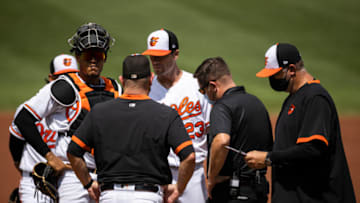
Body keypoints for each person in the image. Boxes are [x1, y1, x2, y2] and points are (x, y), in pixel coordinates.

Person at [13, 22, 121, 202]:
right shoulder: (64, 87)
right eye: (88, 54)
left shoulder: (115, 87)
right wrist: (49, 156)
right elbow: (23, 119)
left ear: (105, 57)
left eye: (99, 54)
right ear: (78, 56)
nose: (93, 60)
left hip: (108, 176)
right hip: (74, 178)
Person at [67, 54, 196, 203]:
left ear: (122, 80)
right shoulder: (166, 114)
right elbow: (189, 156)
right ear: (151, 79)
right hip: (148, 196)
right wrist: (179, 188)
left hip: (110, 196)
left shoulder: (99, 112)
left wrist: (88, 184)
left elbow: (73, 152)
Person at [245, 43, 356, 203]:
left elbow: (312, 149)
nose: (271, 79)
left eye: (275, 74)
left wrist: (269, 158)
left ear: (291, 69)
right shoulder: (293, 99)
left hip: (316, 198)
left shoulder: (315, 98)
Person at [142, 28, 212, 203]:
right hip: (157, 172)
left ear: (175, 54)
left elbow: (213, 129)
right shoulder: (146, 90)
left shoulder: (196, 85)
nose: (155, 62)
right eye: (152, 56)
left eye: (161, 56)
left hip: (193, 173)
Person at [193, 57, 273, 203]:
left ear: (213, 86)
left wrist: (211, 178)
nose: (205, 95)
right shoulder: (257, 103)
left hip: (231, 193)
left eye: (203, 90)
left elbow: (222, 140)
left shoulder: (221, 107)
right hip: (258, 191)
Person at [9, 54, 79, 202]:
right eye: (62, 77)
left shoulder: (79, 110)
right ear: (51, 78)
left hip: (71, 181)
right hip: (37, 183)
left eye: (71, 76)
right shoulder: (29, 110)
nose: (66, 81)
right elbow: (15, 144)